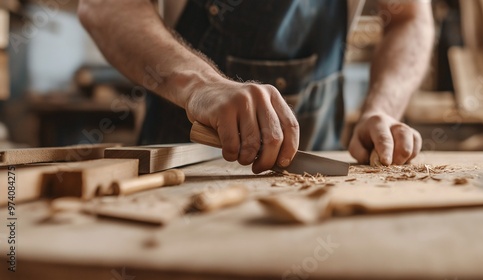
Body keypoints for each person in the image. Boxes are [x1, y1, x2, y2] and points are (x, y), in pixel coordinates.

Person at [78, 0, 434, 174]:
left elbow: (410, 16)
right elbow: (104, 7)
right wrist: (203, 86)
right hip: (182, 170)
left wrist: (382, 109)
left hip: (317, 174)